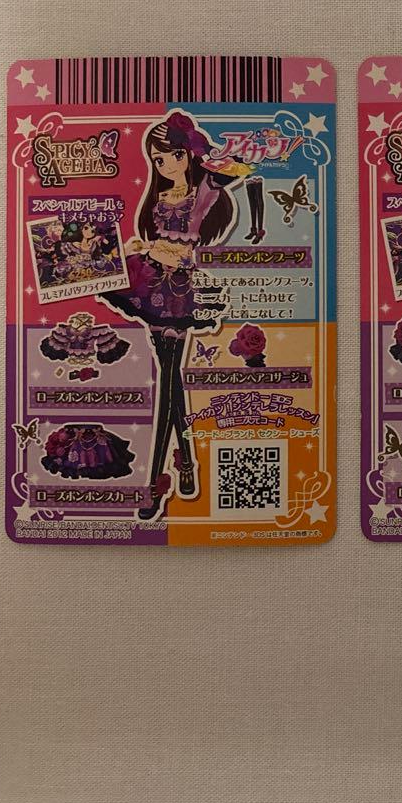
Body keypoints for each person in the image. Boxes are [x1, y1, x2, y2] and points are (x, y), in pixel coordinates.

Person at [100, 111, 240, 520]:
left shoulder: (202, 194)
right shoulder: (161, 197)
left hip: (179, 292)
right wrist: (141, 248)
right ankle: (186, 465)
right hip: (151, 284)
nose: (163, 165)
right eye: (157, 159)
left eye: (171, 156)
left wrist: (203, 150)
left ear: (186, 155)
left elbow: (235, 170)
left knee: (169, 381)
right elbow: (158, 241)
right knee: (171, 378)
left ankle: (154, 484)